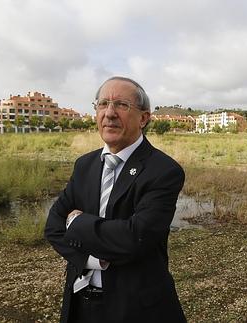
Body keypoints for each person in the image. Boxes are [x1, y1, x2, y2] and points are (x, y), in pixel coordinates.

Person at [45, 76, 187, 323]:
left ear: (144, 118)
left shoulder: (163, 171)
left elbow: (135, 237)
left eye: (121, 105)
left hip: (137, 308)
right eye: (102, 104)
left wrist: (77, 224)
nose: (109, 114)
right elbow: (53, 226)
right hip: (81, 302)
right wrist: (92, 260)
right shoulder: (84, 165)